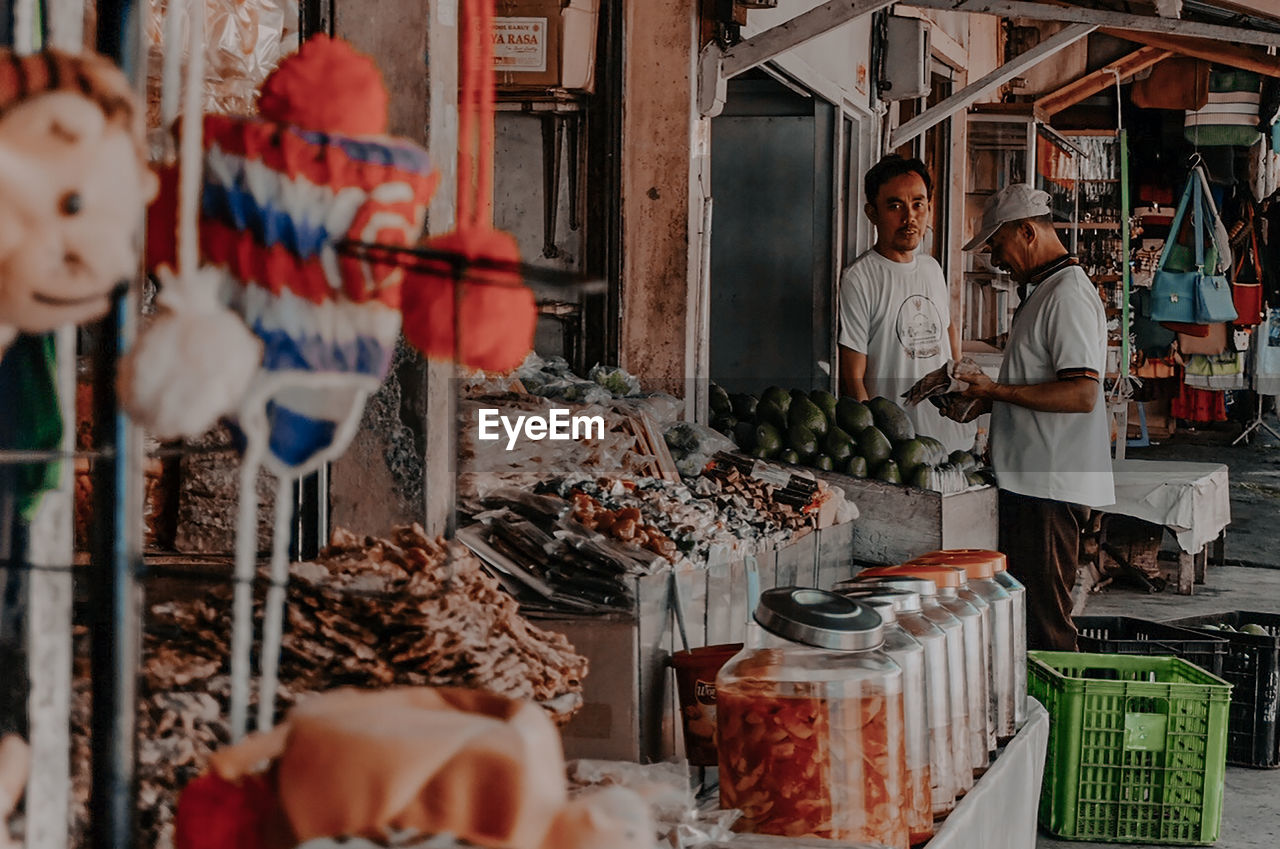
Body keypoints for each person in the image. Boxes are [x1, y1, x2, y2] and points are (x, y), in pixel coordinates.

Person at [955, 184, 1116, 651]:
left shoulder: (1067, 294)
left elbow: (1083, 394)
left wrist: (997, 391)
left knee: (1046, 628)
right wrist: (986, 401)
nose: (994, 257)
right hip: (1030, 483)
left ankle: (1060, 718)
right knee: (1027, 621)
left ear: (1026, 231)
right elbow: (1042, 381)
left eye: (997, 243)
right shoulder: (1045, 290)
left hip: (1049, 487)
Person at [838, 154, 974, 452]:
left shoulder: (931, 268)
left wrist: (960, 386)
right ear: (872, 213)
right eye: (895, 205)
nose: (909, 217)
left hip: (949, 435)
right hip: (898, 445)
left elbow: (948, 329)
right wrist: (874, 442)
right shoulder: (859, 278)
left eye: (918, 204)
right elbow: (853, 375)